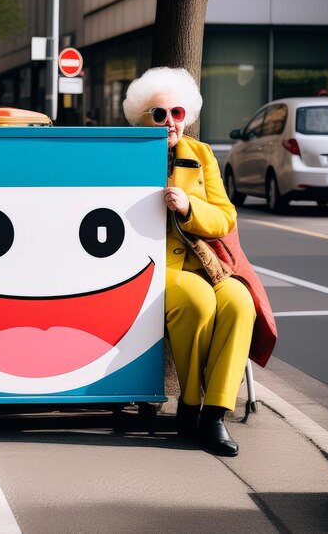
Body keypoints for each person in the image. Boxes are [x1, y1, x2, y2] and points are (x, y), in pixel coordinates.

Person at [123, 67, 256, 457]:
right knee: (198, 302)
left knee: (239, 303)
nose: (170, 122)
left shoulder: (200, 154)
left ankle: (214, 414)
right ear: (141, 117)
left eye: (177, 113)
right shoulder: (127, 154)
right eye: (159, 114)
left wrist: (188, 207)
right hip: (151, 264)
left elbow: (225, 217)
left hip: (206, 261)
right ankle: (191, 404)